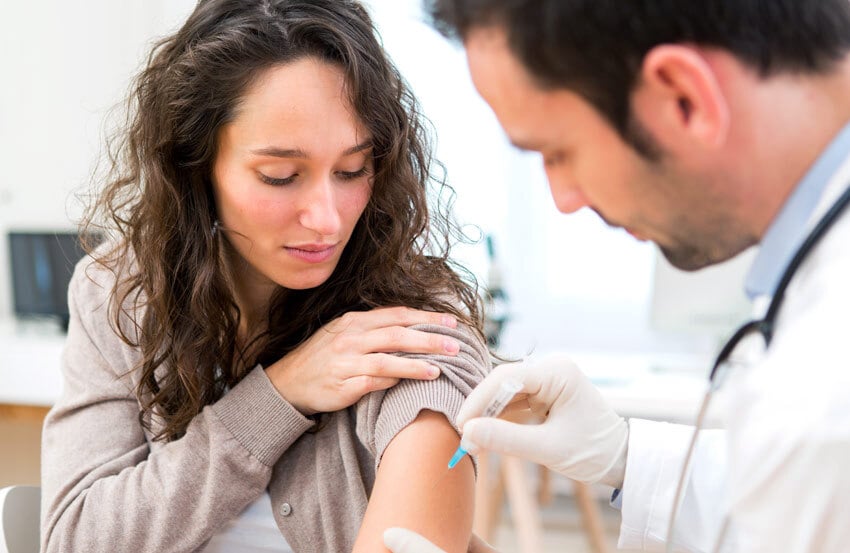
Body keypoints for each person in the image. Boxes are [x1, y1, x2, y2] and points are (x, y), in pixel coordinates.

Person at [384, 0, 850, 552]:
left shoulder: (825, 384)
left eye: (557, 152)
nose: (563, 201)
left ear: (683, 97)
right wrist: (623, 455)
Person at [39, 1, 491, 552]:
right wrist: (278, 397)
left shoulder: (408, 327)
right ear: (195, 164)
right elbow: (75, 540)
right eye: (280, 176)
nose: (327, 219)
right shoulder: (121, 292)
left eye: (352, 169)